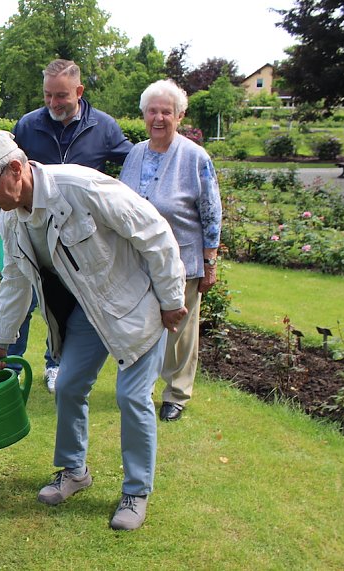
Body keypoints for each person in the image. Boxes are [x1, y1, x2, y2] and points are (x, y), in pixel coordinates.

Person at [0, 130, 186, 531]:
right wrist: (0, 341)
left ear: (16, 169)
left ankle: (136, 491)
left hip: (136, 305)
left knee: (131, 396)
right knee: (67, 386)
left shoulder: (81, 187)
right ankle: (74, 471)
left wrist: (171, 300)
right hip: (87, 313)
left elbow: (154, 233)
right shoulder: (13, 219)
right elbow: (15, 280)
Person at [0, 59, 134, 393]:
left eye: (61, 96)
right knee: (20, 289)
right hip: (31, 225)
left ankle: (56, 366)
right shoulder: (28, 125)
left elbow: (133, 160)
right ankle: (9, 365)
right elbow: (4, 174)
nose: (53, 103)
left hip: (79, 237)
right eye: (48, 95)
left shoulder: (103, 126)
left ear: (79, 91)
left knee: (64, 303)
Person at [119, 79, 222, 422]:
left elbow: (210, 212)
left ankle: (176, 394)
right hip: (139, 260)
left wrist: (210, 262)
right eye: (152, 111)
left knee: (179, 330)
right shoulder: (135, 154)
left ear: (179, 116)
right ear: (143, 115)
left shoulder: (195, 158)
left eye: (167, 111)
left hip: (183, 260)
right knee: (144, 325)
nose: (159, 118)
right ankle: (141, 387)